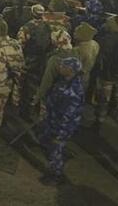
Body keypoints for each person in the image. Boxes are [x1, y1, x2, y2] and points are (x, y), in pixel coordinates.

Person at [38, 57, 84, 186]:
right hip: (53, 119)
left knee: (56, 148)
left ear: (70, 70)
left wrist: (61, 132)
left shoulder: (74, 90)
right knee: (46, 141)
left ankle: (56, 175)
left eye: (63, 66)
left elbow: (68, 114)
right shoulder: (64, 81)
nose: (60, 68)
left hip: (62, 125)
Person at [72, 22, 99, 92]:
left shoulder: (78, 50)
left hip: (77, 77)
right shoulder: (95, 44)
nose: (74, 33)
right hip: (87, 75)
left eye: (76, 32)